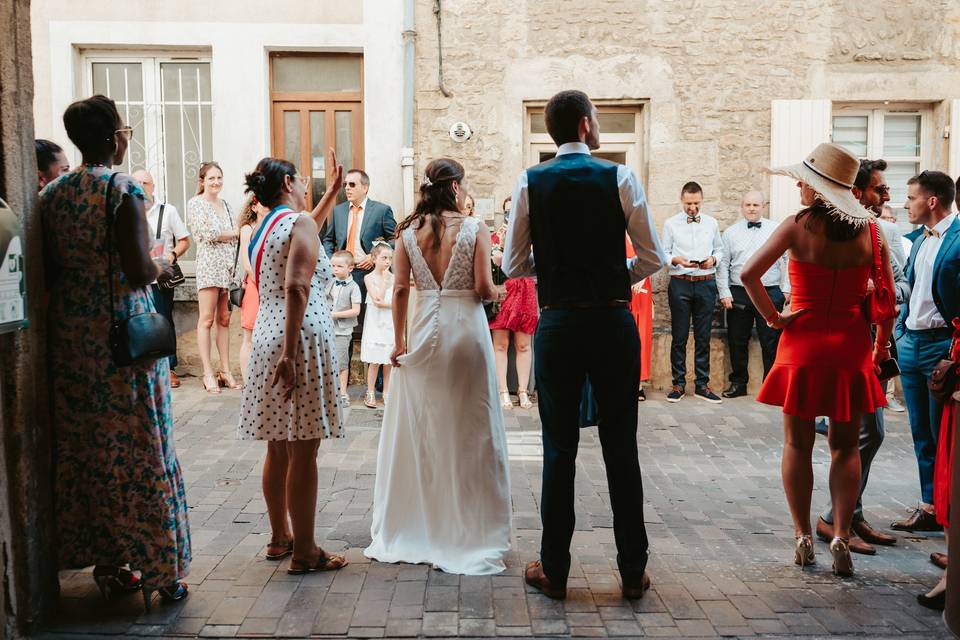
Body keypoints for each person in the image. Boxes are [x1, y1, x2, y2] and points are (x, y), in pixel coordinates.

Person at [503, 90, 666, 599]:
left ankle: (555, 569)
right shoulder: (619, 177)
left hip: (559, 326)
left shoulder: (530, 180)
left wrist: (554, 272)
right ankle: (632, 571)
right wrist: (614, 275)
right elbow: (652, 255)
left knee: (559, 450)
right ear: (585, 126)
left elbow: (512, 264)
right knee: (622, 449)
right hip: (613, 323)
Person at [39, 95, 190, 610]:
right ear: (112, 137)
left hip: (73, 338)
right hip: (122, 337)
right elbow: (138, 267)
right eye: (124, 130)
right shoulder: (121, 188)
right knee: (143, 445)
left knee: (92, 450)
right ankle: (160, 570)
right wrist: (162, 263)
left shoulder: (53, 192)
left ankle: (108, 564)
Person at [743, 142, 894, 578]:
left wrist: (774, 318)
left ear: (817, 188)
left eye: (803, 181)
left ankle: (803, 536)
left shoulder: (796, 227)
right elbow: (884, 301)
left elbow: (749, 274)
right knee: (846, 446)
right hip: (849, 346)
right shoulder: (872, 233)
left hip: (802, 343)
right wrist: (880, 347)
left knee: (797, 444)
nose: (797, 186)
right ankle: (842, 535)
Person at [365, 158, 511, 575]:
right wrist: (509, 288)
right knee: (471, 431)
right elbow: (484, 289)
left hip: (424, 327)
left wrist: (398, 341)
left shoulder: (409, 232)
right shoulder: (474, 228)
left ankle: (421, 524)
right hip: (466, 329)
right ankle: (469, 529)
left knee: (426, 431)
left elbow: (399, 290)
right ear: (455, 187)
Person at [238, 154, 348, 574]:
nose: (306, 186)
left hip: (267, 331)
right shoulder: (297, 223)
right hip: (297, 336)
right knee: (305, 448)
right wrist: (289, 352)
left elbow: (305, 230)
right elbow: (299, 284)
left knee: (277, 444)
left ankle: (280, 536)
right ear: (287, 183)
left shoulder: (265, 225)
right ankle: (306, 551)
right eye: (302, 180)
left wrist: (331, 194)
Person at [812, 159, 906, 556]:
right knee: (864, 434)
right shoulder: (820, 229)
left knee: (867, 433)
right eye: (879, 190)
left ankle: (849, 514)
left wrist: (874, 295)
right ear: (856, 191)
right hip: (846, 346)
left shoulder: (881, 232)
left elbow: (899, 286)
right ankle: (838, 520)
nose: (886, 197)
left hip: (872, 343)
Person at [891, 170, 959, 533]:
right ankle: (929, 505)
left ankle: (949, 515)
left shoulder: (959, 239)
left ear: (932, 201)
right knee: (920, 433)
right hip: (911, 343)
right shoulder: (917, 240)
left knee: (943, 435)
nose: (905, 204)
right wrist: (901, 331)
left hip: (941, 347)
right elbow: (913, 290)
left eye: (911, 197)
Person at [717, 191, 790, 398]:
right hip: (739, 292)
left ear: (763, 206)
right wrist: (724, 291)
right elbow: (723, 264)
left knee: (772, 340)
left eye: (755, 205)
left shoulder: (776, 230)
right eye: (748, 205)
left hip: (770, 291)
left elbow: (788, 259)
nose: (751, 208)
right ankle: (738, 383)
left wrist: (787, 288)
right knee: (737, 339)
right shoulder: (730, 233)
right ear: (742, 206)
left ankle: (772, 386)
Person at [662, 181, 724, 403]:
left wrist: (713, 259)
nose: (692, 208)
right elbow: (664, 253)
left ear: (702, 199)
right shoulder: (671, 224)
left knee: (703, 336)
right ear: (682, 200)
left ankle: (702, 384)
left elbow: (719, 249)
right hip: (680, 283)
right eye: (688, 203)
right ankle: (678, 384)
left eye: (696, 203)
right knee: (679, 336)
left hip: (706, 283)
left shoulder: (712, 223)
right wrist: (675, 260)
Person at [132, 169, 191, 388]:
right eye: (136, 182)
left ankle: (169, 368)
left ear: (153, 186)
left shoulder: (168, 211)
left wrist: (172, 255)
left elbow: (185, 240)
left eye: (145, 182)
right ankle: (144, 367)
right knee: (137, 323)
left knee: (164, 322)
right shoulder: (126, 210)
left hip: (160, 278)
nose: (140, 186)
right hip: (135, 280)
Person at [187, 161, 241, 393]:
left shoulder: (226, 204)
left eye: (219, 177)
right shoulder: (196, 204)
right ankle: (208, 372)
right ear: (202, 181)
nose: (216, 182)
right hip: (209, 266)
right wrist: (234, 233)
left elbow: (231, 237)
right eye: (211, 178)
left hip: (227, 268)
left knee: (225, 319)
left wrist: (231, 236)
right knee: (206, 319)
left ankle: (225, 370)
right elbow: (207, 234)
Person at [489, 194, 538, 410]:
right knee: (500, 344)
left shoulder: (533, 235)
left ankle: (523, 390)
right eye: (507, 211)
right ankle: (502, 391)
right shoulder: (495, 237)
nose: (511, 215)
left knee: (523, 344)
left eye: (514, 211)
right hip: (504, 291)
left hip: (525, 290)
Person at [321, 169, 397, 297]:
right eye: (345, 185)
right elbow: (328, 240)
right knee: (345, 314)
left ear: (365, 188)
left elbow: (395, 238)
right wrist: (332, 261)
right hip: (344, 274)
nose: (347, 188)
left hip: (371, 272)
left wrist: (374, 256)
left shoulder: (382, 210)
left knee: (366, 315)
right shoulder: (338, 211)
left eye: (352, 184)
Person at [237, 195, 269, 381]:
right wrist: (262, 281)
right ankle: (247, 380)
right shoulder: (248, 229)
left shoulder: (274, 228)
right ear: (254, 207)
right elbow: (247, 264)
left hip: (272, 286)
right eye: (262, 203)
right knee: (249, 335)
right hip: (255, 286)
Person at [361, 241, 395, 408]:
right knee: (374, 361)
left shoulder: (394, 278)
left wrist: (389, 280)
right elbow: (378, 301)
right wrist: (384, 281)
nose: (388, 262)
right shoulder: (369, 278)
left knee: (388, 361)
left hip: (389, 322)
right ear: (374, 259)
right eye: (384, 258)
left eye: (390, 258)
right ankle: (370, 392)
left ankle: (387, 392)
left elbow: (396, 302)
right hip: (375, 323)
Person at [326, 251, 362, 406]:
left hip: (342, 331)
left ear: (350, 268)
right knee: (326, 361)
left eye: (339, 266)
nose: (335, 269)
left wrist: (335, 315)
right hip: (327, 329)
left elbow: (356, 311)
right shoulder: (330, 283)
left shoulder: (354, 287)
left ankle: (342, 393)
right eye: (333, 266)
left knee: (341, 362)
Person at [625, 235, 653, 400]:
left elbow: (654, 257)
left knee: (641, 334)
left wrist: (642, 276)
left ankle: (638, 384)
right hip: (620, 285)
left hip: (641, 288)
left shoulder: (642, 232)